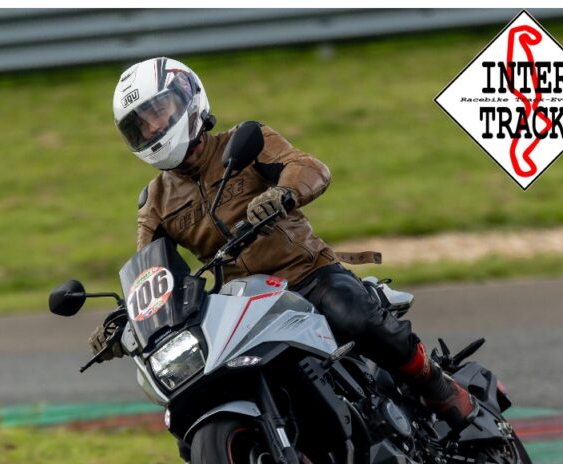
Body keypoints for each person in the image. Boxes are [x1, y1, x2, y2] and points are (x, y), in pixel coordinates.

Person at [90, 57, 475, 428]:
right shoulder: (155, 202)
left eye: (159, 112)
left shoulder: (244, 141)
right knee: (194, 390)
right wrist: (126, 322)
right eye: (140, 124)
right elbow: (151, 274)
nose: (153, 128)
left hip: (306, 275)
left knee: (354, 316)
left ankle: (437, 386)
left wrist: (284, 193)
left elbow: (309, 167)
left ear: (188, 98)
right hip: (239, 305)